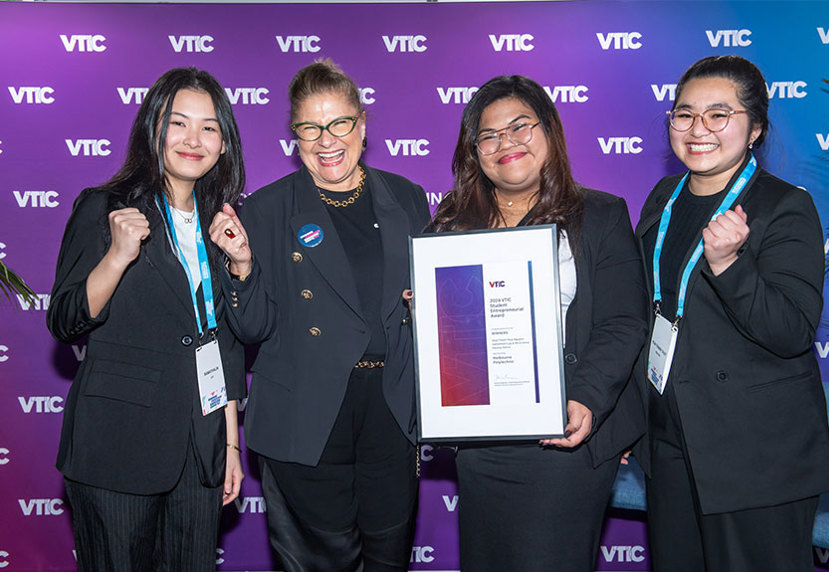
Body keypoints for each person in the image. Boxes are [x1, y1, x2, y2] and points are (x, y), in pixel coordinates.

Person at [210, 59, 430, 571]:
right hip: (306, 416)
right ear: (295, 135)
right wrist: (241, 267)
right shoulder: (264, 211)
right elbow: (251, 328)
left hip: (391, 411)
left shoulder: (408, 198)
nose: (326, 140)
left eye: (339, 124)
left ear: (362, 124)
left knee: (387, 557)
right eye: (310, 127)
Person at [426, 75, 647, 571]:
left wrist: (587, 397)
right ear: (474, 150)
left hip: (567, 435)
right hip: (483, 439)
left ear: (549, 131)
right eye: (489, 135)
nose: (507, 143)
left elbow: (622, 321)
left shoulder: (601, 214)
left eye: (520, 127)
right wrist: (425, 308)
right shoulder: (452, 224)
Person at [632, 55, 829, 571]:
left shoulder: (785, 205)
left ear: (755, 129)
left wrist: (730, 266)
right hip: (671, 442)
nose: (698, 129)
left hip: (754, 452)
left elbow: (791, 330)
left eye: (719, 114)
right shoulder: (663, 198)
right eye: (684, 114)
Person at [46, 67, 246, 570]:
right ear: (152, 129)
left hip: (199, 454)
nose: (192, 139)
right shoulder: (104, 207)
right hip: (118, 445)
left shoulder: (219, 225)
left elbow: (217, 341)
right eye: (178, 123)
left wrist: (229, 443)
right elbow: (65, 320)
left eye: (208, 128)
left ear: (223, 144)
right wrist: (116, 257)